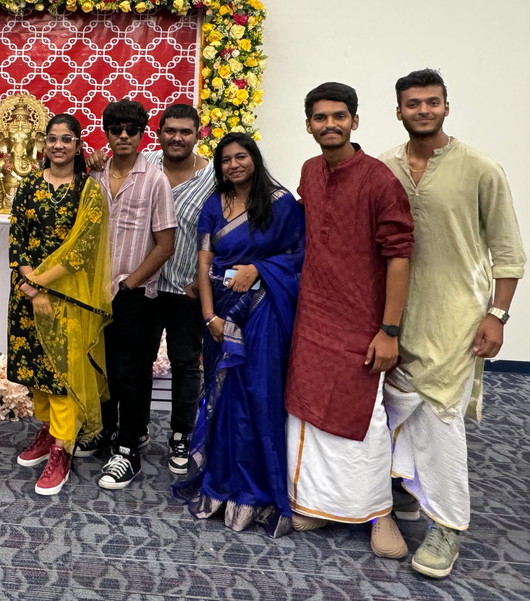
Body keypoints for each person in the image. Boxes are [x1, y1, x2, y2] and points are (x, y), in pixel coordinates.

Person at [380, 69, 525, 578]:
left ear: (446, 106)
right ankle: (405, 490)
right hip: (395, 316)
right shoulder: (384, 167)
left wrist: (497, 315)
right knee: (393, 411)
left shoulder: (481, 168)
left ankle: (448, 526)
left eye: (432, 102)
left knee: (441, 421)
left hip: (457, 318)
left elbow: (508, 252)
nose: (423, 110)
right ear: (398, 111)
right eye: (413, 104)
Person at [285, 82, 414, 560]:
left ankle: (380, 512)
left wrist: (389, 330)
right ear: (309, 126)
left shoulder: (379, 180)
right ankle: (321, 505)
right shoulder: (310, 171)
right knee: (310, 415)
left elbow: (399, 256)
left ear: (355, 121)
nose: (330, 124)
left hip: (363, 323)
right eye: (321, 118)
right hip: (313, 315)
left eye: (339, 116)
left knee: (365, 419)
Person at [171, 134, 305, 537]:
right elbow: (204, 263)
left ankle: (257, 492)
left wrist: (260, 269)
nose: (233, 164)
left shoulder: (281, 203)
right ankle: (222, 485)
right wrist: (209, 315)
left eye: (240, 156)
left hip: (265, 310)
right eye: (226, 159)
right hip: (222, 315)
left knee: (257, 396)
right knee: (223, 397)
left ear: (254, 158)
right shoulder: (214, 204)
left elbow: (301, 254)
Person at [8, 114, 113, 496]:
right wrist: (28, 281)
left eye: (66, 139)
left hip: (68, 297)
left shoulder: (89, 190)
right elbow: (16, 234)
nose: (58, 146)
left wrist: (39, 284)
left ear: (78, 145)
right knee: (36, 369)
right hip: (26, 292)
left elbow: (84, 248)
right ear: (44, 144)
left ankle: (63, 447)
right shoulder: (30, 185)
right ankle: (50, 428)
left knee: (62, 372)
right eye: (52, 139)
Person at [80, 99, 175, 491]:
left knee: (130, 374)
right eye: (116, 129)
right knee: (100, 369)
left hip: (133, 293)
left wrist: (130, 283)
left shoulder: (154, 179)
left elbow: (165, 242)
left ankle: (129, 449)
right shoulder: (93, 177)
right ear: (106, 133)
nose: (123, 136)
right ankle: (106, 432)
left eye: (130, 130)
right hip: (92, 294)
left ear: (141, 135)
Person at [141, 104, 216, 475]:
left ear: (197, 134)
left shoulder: (214, 177)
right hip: (144, 286)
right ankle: (135, 432)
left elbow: (227, 227)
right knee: (137, 361)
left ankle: (181, 435)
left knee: (187, 365)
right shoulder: (144, 164)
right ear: (159, 132)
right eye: (170, 130)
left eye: (185, 131)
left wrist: (206, 280)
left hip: (186, 288)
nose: (177, 137)